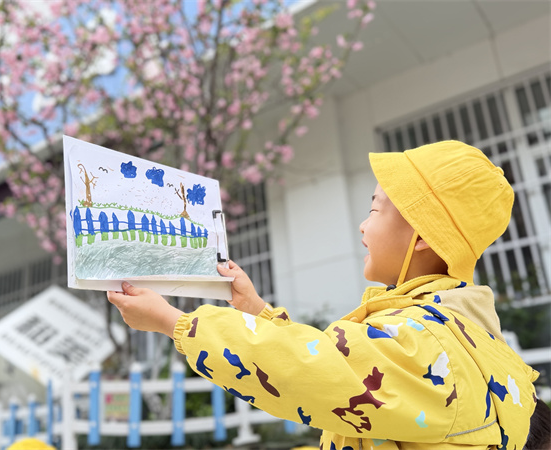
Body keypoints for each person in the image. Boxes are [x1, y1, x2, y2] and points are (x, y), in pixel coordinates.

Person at [107, 140, 548, 450]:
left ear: (423, 236)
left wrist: (173, 322)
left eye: (374, 208)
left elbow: (305, 371)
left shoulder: (421, 342)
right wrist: (256, 311)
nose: (363, 225)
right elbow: (337, 363)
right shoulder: (461, 333)